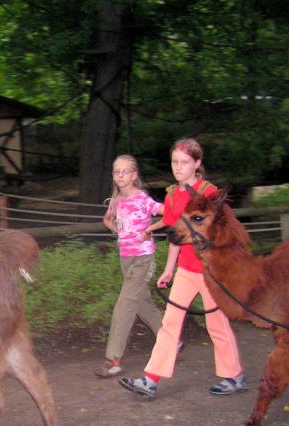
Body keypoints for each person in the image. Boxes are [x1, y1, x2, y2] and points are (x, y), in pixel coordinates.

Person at [119, 138, 245, 399]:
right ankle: (150, 380)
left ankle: (234, 375)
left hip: (210, 271)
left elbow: (223, 233)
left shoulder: (209, 193)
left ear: (197, 164)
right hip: (186, 271)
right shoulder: (172, 195)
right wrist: (169, 270)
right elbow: (176, 236)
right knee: (169, 323)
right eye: (174, 162)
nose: (178, 167)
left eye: (184, 162)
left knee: (216, 323)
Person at [94, 155, 164, 378]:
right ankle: (171, 340)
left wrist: (151, 229)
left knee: (124, 305)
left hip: (143, 259)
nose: (120, 175)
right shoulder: (116, 201)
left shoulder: (142, 199)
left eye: (125, 171)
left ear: (134, 175)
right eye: (117, 172)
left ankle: (113, 359)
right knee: (142, 302)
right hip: (126, 259)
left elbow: (169, 213)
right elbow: (107, 219)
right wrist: (116, 229)